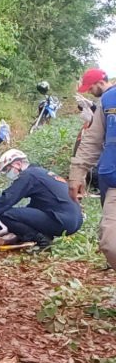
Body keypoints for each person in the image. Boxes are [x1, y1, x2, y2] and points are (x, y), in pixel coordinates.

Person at [0, 149, 82, 247]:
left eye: (7, 170)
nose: (8, 174)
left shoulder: (29, 175)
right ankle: (43, 236)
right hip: (74, 220)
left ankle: (41, 239)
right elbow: (36, 206)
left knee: (6, 214)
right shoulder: (40, 173)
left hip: (62, 220)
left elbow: (8, 198)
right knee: (22, 213)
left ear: (17, 164)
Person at [69, 67, 116, 268]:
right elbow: (92, 141)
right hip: (113, 183)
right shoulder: (108, 100)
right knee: (110, 244)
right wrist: (77, 173)